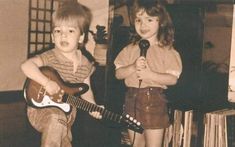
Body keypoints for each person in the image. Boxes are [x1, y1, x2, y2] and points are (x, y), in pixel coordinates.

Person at [21, 1, 101, 147]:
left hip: (68, 112)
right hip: (41, 108)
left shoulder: (86, 63)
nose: (63, 35)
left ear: (81, 37)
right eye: (58, 31)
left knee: (64, 140)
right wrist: (46, 82)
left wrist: (93, 107)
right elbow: (26, 66)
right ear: (52, 37)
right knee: (55, 119)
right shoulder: (51, 56)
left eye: (70, 31)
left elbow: (86, 90)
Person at [114, 0, 182, 147]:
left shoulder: (167, 50)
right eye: (138, 20)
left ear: (161, 22)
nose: (143, 25)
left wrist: (150, 75)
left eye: (149, 19)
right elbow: (118, 74)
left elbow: (172, 79)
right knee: (135, 143)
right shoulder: (129, 49)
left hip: (155, 101)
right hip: (132, 100)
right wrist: (132, 66)